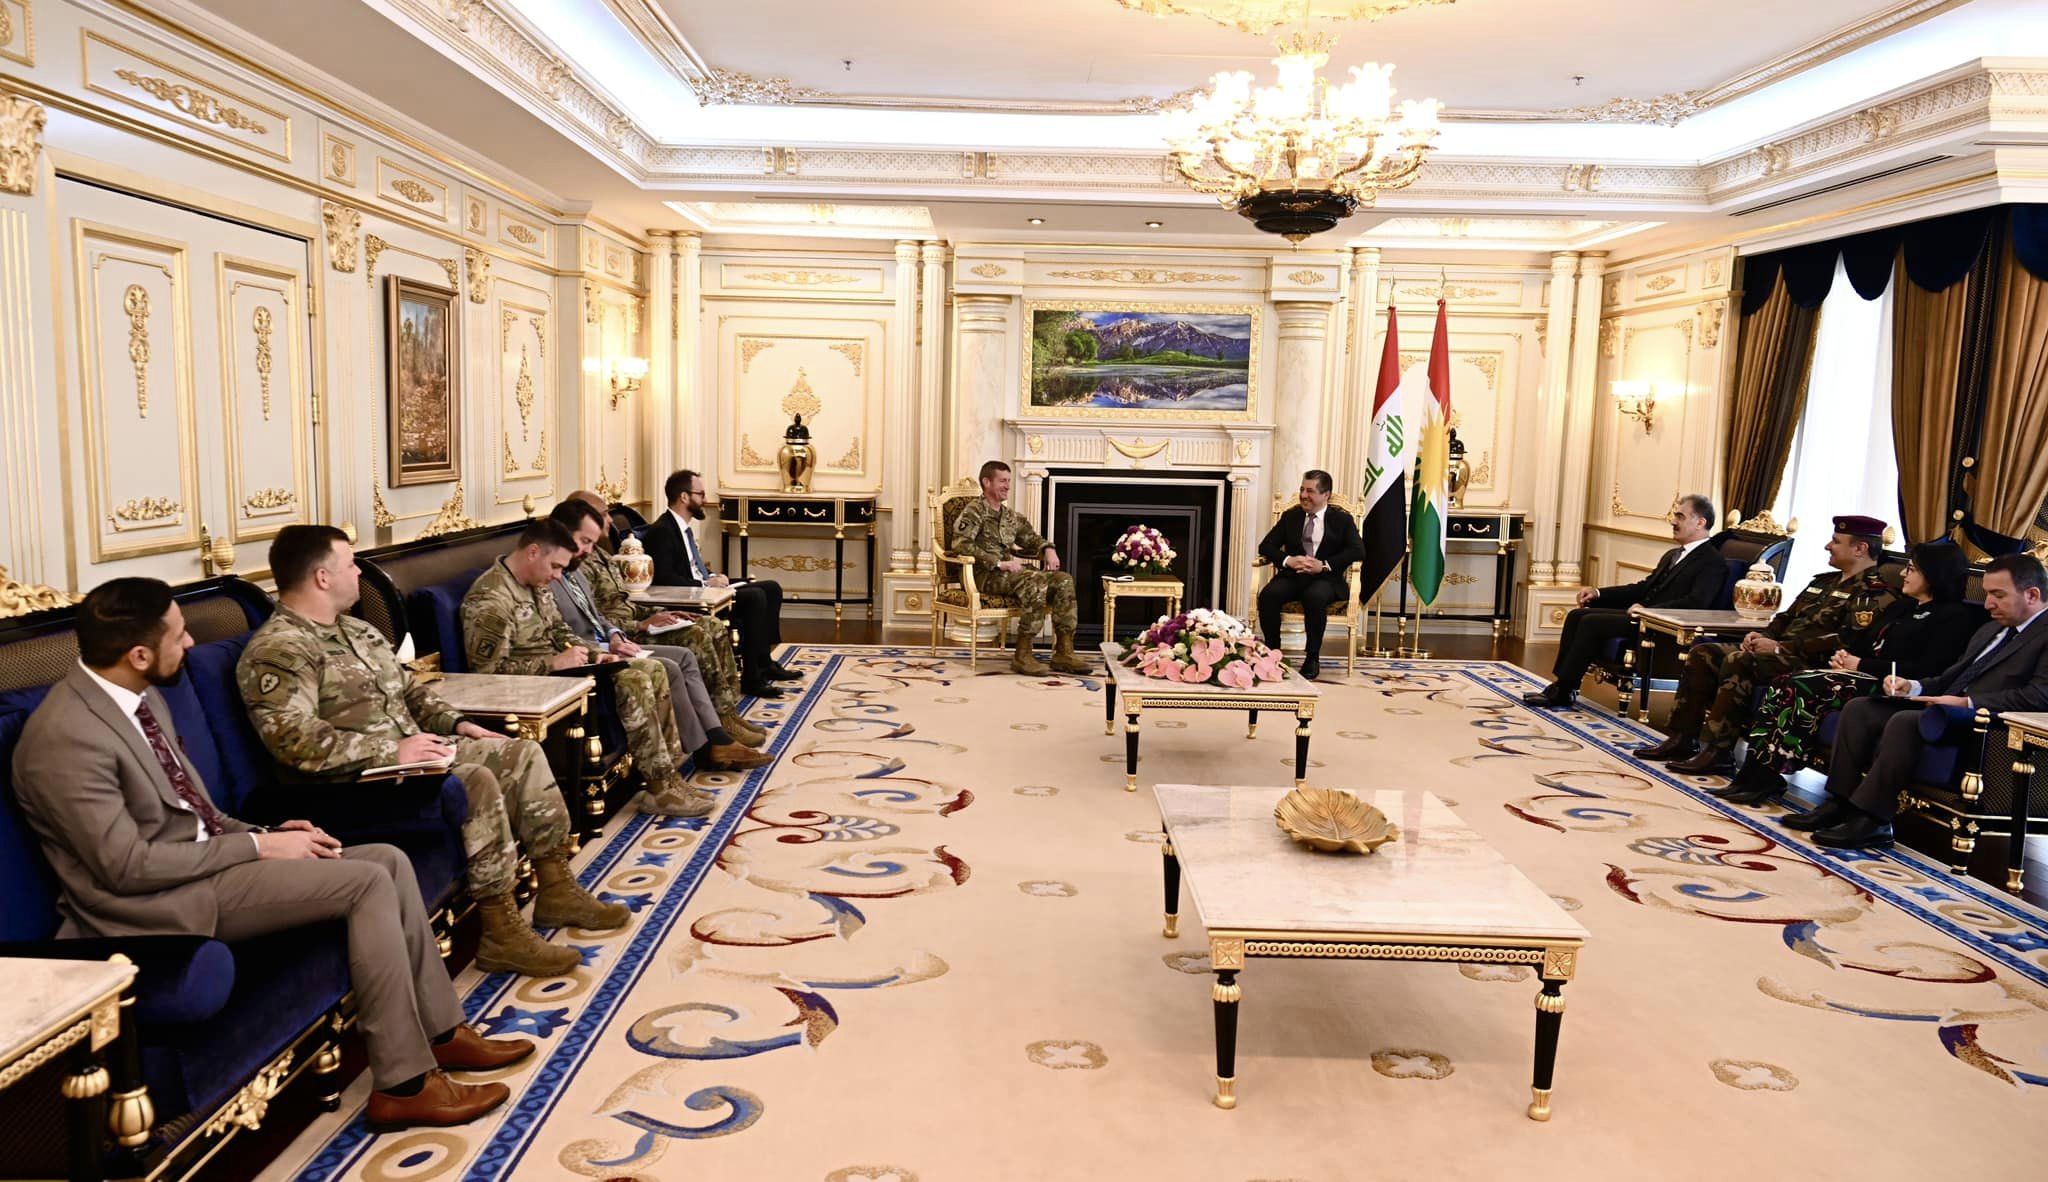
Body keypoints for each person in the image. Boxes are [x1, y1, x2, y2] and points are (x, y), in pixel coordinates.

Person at [12, 578, 529, 1129]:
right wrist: (258, 846)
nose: (190, 644)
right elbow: (126, 869)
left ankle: (443, 1033)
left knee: (387, 860)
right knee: (365, 881)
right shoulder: (64, 738)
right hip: (151, 906)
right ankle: (404, 1086)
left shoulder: (140, 696)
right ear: (138, 655)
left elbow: (195, 810)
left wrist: (269, 831)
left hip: (201, 867)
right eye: (179, 636)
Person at [238, 525, 628, 978]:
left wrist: (460, 724)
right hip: (350, 783)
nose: (358, 574)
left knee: (519, 753)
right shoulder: (280, 649)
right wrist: (391, 751)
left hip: (412, 757)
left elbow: (412, 692)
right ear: (322, 577)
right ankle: (500, 931)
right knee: (475, 780)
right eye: (350, 565)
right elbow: (294, 741)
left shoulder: (357, 630)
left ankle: (556, 887)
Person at [1781, 554, 2048, 850]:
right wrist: (1912, 686)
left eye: (1998, 595)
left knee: (1905, 722)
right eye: (1986, 594)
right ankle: (1839, 802)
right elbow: (1950, 677)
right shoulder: (1992, 629)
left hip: (1983, 722)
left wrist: (1966, 703)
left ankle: (1872, 820)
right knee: (1861, 709)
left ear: (2031, 595)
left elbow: (2038, 697)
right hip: (1944, 707)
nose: (1987, 604)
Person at [461, 518, 711, 818]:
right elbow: (487, 674)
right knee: (634, 680)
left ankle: (668, 779)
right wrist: (552, 663)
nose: (558, 576)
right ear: (533, 552)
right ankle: (660, 790)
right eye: (555, 566)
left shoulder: (535, 583)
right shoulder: (491, 599)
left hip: (565, 671)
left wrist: (597, 654)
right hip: (533, 685)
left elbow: (560, 630)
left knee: (651, 669)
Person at [1714, 543, 1983, 805]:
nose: (1903, 573)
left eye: (1912, 569)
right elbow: (1863, 642)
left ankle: (1769, 774)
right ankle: (1755, 770)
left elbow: (1928, 669)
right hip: (1857, 674)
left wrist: (1860, 665)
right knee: (1785, 681)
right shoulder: (1902, 606)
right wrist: (1844, 658)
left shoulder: (1955, 617)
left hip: (1892, 685)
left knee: (1800, 685)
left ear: (1933, 574)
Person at [1635, 515, 1898, 775]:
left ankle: (1718, 752)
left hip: (1814, 665)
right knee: (1704, 653)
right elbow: (1785, 617)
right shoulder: (1823, 582)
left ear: (1860, 548)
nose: (1828, 546)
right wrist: (1762, 635)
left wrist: (1780, 648)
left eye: (1836, 541)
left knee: (1739, 661)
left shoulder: (1874, 593)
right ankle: (1681, 739)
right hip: (1779, 653)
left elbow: (1844, 641)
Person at [544, 499, 771, 774]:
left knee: (704, 630)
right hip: (602, 647)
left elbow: (609, 609)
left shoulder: (585, 563)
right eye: (585, 539)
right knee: (692, 642)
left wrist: (650, 617)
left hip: (617, 635)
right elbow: (569, 630)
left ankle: (723, 722)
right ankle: (708, 746)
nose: (609, 521)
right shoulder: (554, 572)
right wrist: (634, 628)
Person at [1522, 494, 1723, 708]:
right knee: (1577, 615)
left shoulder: (1712, 561)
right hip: (1642, 617)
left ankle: (1563, 690)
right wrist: (1599, 593)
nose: (1673, 521)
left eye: (1680, 517)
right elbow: (1643, 588)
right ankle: (1563, 686)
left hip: (1661, 626)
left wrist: (1649, 612)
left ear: (1700, 522)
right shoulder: (1673, 554)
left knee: (1590, 622)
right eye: (1675, 516)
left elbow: (1695, 603)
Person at [643, 470, 804, 699]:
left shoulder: (683, 528)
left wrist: (713, 576)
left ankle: (765, 663)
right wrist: (705, 582)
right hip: (692, 597)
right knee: (755, 596)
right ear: (684, 497)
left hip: (704, 588)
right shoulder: (662, 531)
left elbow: (692, 566)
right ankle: (751, 678)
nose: (705, 500)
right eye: (701, 494)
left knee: (771, 588)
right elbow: (665, 578)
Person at [948, 460, 1093, 676]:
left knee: (1063, 580)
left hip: (1009, 574)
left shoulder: (1009, 516)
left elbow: (1032, 539)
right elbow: (960, 544)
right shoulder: (974, 512)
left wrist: (1048, 549)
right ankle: (1023, 654)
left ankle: (1064, 651)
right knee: (1034, 580)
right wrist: (998, 562)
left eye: (1009, 481)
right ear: (987, 482)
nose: (1007, 486)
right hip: (984, 574)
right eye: (1002, 481)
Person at [1255, 470, 1364, 682]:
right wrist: (1288, 560)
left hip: (1326, 579)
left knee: (1315, 596)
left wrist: (1323, 565)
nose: (1304, 495)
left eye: (1310, 491)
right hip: (1293, 576)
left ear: (1326, 495)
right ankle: (1273, 653)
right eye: (1302, 490)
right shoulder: (1291, 516)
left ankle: (1312, 657)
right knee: (1269, 595)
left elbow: (1357, 551)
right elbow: (1266, 546)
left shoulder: (1341, 519)